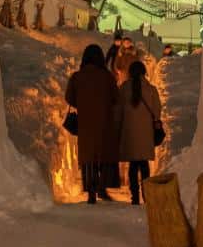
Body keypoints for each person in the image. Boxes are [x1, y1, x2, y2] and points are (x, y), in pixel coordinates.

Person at [65, 44, 120, 204]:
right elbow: (116, 97)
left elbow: (69, 98)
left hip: (85, 123)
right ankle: (102, 188)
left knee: (88, 157)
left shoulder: (77, 77)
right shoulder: (107, 76)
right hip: (105, 122)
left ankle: (90, 192)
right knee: (102, 155)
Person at [116, 60, 162, 205]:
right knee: (144, 165)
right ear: (144, 72)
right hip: (145, 133)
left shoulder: (124, 88)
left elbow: (118, 110)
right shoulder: (151, 89)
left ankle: (134, 196)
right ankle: (146, 195)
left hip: (129, 132)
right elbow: (157, 111)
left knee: (133, 165)